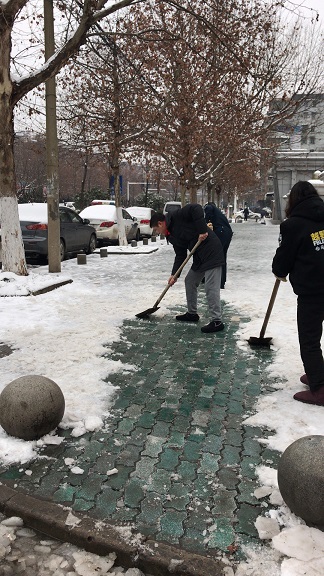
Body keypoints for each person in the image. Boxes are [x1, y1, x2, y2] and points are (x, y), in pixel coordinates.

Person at [272, 180, 324, 406]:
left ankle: (320, 388)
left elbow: (284, 257)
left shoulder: (293, 225)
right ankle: (318, 374)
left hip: (313, 291)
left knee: (309, 339)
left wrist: (279, 271)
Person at [150, 204, 225, 333]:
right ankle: (192, 314)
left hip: (211, 251)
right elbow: (180, 255)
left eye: (156, 229)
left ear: (161, 223)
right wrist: (174, 274)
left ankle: (217, 321)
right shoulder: (170, 235)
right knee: (190, 281)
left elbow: (196, 208)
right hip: (199, 256)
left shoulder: (177, 216)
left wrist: (202, 230)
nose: (157, 233)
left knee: (210, 287)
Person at [204, 202, 233, 288]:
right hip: (227, 232)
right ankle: (221, 281)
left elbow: (208, 210)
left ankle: (218, 282)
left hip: (222, 232)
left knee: (218, 257)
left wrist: (204, 224)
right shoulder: (218, 214)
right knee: (222, 257)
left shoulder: (209, 207)